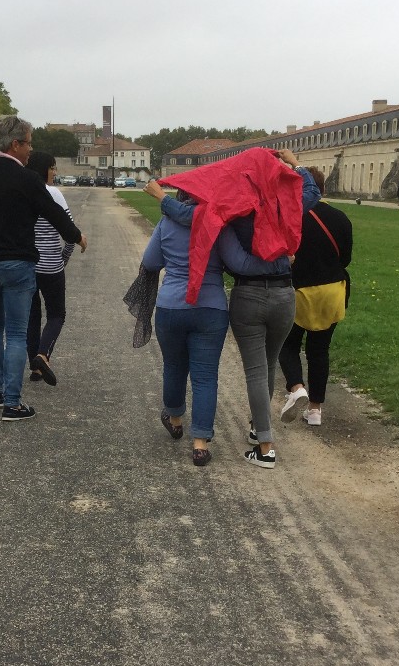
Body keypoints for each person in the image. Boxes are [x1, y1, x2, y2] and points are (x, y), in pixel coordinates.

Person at [0, 115, 87, 422]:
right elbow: (54, 213)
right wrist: (76, 236)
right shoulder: (27, 179)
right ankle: (12, 402)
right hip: (18, 266)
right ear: (15, 144)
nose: (31, 151)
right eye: (29, 144)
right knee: (18, 333)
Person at [141, 179, 291, 466]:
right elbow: (241, 264)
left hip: (172, 305)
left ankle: (174, 419)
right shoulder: (217, 225)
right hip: (210, 307)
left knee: (173, 365)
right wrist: (277, 263)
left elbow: (150, 262)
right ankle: (200, 443)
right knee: (205, 376)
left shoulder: (166, 224)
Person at [224, 148, 320, 467]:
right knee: (267, 363)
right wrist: (294, 163)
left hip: (249, 295)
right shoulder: (284, 202)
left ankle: (265, 447)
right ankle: (257, 427)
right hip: (283, 294)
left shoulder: (238, 205)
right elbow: (311, 190)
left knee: (255, 369)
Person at [279, 167, 353, 427]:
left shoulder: (291, 216)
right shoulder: (340, 218)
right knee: (319, 350)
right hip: (332, 291)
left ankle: (297, 387)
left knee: (288, 345)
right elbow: (346, 259)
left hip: (299, 290)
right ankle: (315, 410)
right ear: (322, 188)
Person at [23, 150, 83, 386]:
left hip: (28, 264)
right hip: (51, 266)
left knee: (32, 316)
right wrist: (63, 259)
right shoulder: (54, 194)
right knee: (57, 314)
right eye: (53, 167)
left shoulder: (23, 192)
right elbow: (69, 233)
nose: (55, 173)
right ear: (44, 169)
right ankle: (43, 354)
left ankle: (35, 368)